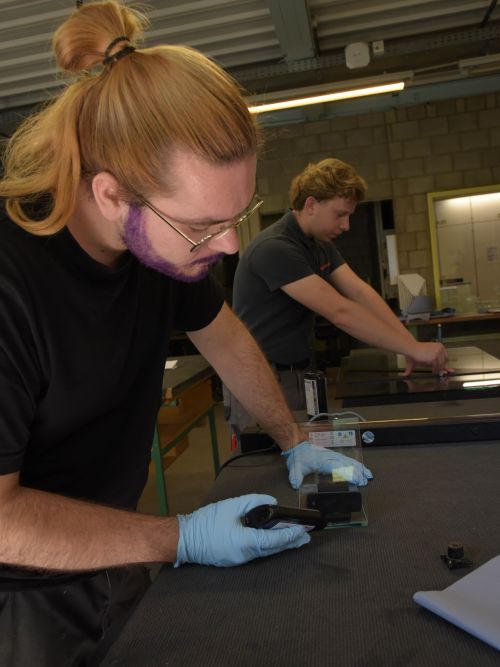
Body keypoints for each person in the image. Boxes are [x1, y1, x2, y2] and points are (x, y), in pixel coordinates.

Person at [0, 3, 371, 664]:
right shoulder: (12, 282)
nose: (228, 246)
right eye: (203, 226)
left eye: (237, 216)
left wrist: (292, 439)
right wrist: (182, 537)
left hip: (115, 548)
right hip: (18, 591)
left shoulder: (164, 249)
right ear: (112, 195)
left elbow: (224, 335)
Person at [226, 158, 450, 437]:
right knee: (269, 457)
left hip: (297, 372)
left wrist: (408, 345)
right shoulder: (275, 248)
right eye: (340, 214)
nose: (346, 225)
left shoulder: (320, 245)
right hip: (260, 378)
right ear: (311, 205)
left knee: (304, 449)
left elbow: (360, 292)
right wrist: (413, 349)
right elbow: (340, 312)